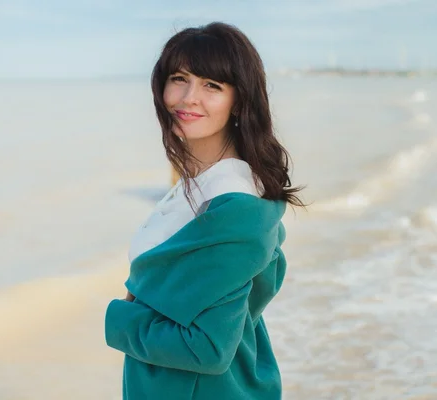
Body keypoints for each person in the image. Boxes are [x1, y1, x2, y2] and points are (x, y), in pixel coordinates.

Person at [104, 21, 305, 400]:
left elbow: (208, 348)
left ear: (239, 101)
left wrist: (120, 319)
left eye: (212, 85)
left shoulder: (234, 206)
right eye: (179, 78)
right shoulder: (202, 182)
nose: (188, 97)